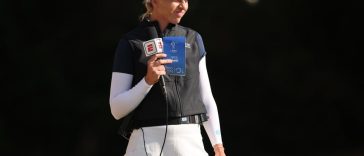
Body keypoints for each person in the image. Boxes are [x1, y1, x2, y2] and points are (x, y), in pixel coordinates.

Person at [109, 0, 226, 155]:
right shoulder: (130, 42)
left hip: (190, 142)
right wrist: (147, 81)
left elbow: (206, 98)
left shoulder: (194, 39)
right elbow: (117, 109)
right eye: (177, 0)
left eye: (186, 0)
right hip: (145, 144)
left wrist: (218, 146)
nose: (183, 6)